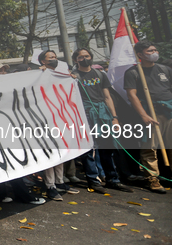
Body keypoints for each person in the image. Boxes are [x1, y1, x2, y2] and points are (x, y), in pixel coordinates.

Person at [71, 48, 133, 193]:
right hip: (84, 114)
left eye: (87, 56)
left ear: (91, 57)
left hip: (103, 113)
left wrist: (114, 117)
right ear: (75, 60)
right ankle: (93, 180)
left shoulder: (100, 74)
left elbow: (107, 97)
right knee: (89, 149)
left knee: (107, 147)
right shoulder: (73, 77)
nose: (84, 59)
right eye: (80, 57)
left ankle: (113, 179)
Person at [124, 40, 172, 194]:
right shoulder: (133, 72)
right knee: (149, 148)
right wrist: (143, 115)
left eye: (155, 50)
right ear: (140, 55)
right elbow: (132, 95)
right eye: (150, 51)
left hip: (169, 112)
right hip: (150, 114)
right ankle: (152, 178)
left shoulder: (165, 69)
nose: (154, 53)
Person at [37, 50, 80, 200]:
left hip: (60, 118)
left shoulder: (61, 74)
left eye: (55, 57)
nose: (54, 60)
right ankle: (50, 186)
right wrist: (38, 73)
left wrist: (70, 79)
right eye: (51, 58)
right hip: (45, 119)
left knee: (61, 151)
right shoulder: (38, 75)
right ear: (43, 61)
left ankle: (60, 182)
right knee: (50, 152)